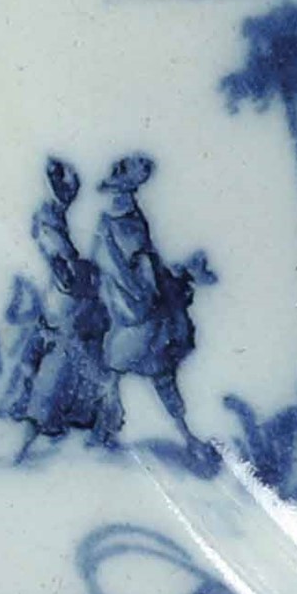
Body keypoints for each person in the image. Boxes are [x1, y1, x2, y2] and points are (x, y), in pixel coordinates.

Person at [90, 153, 211, 458]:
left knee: (147, 373)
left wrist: (165, 279)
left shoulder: (129, 218)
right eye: (128, 187)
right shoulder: (112, 225)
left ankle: (186, 437)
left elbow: (145, 259)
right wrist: (142, 290)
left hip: (143, 307)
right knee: (123, 372)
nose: (128, 197)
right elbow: (121, 265)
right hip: (133, 309)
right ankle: (106, 433)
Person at [0, 156, 115, 451]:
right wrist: (80, 271)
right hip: (62, 303)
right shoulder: (48, 217)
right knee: (57, 366)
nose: (69, 193)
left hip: (64, 302)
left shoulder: (54, 215)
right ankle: (28, 437)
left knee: (74, 356)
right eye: (65, 186)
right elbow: (62, 259)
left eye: (70, 188)